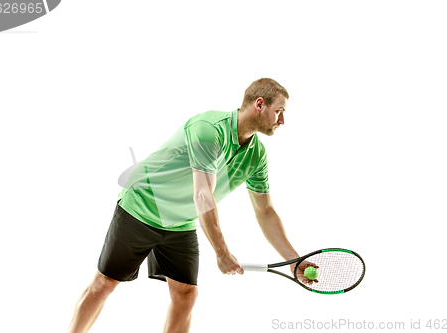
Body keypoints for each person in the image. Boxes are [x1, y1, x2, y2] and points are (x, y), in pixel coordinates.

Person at [67, 78, 301, 333]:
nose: (282, 121)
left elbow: (265, 212)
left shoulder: (256, 156)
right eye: (279, 111)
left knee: (186, 294)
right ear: (259, 104)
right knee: (104, 283)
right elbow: (202, 195)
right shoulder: (208, 129)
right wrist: (221, 252)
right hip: (143, 205)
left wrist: (293, 260)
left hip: (180, 222)